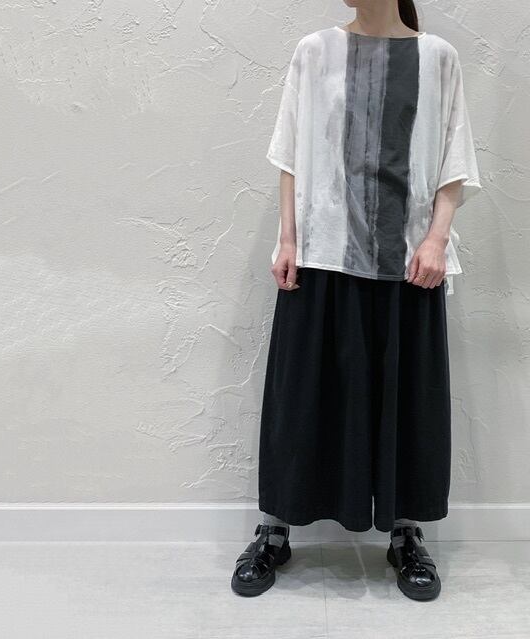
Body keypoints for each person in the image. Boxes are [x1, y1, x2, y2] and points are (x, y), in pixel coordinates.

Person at [231, 0, 482, 602]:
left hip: (408, 258)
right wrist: (288, 239)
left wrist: (436, 239)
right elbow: (290, 152)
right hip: (322, 252)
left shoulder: (437, 58)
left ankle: (406, 533)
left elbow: (455, 159)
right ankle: (274, 529)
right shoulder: (314, 51)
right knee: (300, 395)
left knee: (407, 398)